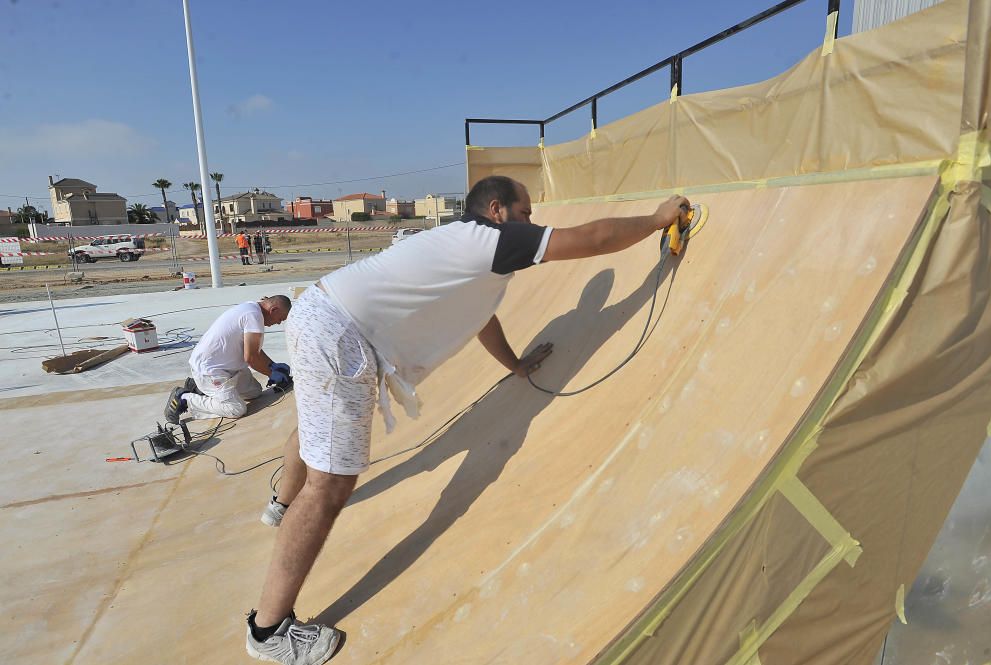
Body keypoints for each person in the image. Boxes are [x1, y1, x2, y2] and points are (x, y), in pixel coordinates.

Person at [243, 175, 690, 664]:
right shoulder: (490, 239)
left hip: (325, 315)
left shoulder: (465, 255)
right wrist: (657, 219)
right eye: (525, 214)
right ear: (497, 210)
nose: (532, 223)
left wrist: (515, 365)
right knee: (331, 486)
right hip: (343, 336)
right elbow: (591, 239)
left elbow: (482, 319)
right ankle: (268, 631)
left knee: (316, 429)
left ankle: (281, 506)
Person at [164, 295, 293, 424]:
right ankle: (184, 398)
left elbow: (253, 349)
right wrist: (271, 373)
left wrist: (272, 365)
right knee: (236, 409)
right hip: (210, 370)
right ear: (273, 310)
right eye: (280, 319)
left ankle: (199, 388)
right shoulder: (253, 316)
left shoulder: (252, 309)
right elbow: (251, 358)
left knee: (254, 392)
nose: (278, 323)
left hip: (227, 367)